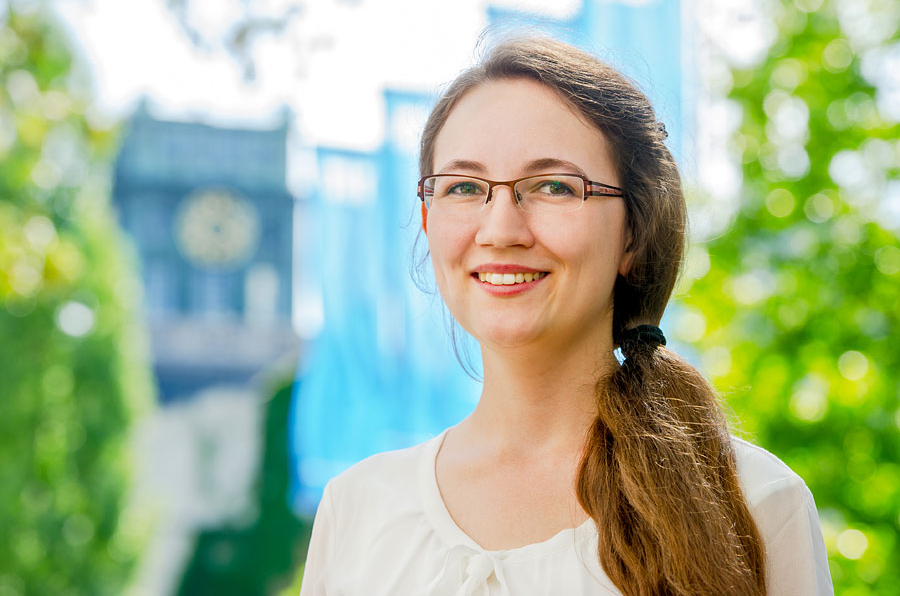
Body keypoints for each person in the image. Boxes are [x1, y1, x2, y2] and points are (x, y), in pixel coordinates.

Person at [299, 37, 832, 595]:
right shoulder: (356, 511)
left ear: (634, 233)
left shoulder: (755, 503)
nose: (501, 230)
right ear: (429, 223)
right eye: (463, 187)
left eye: (553, 186)